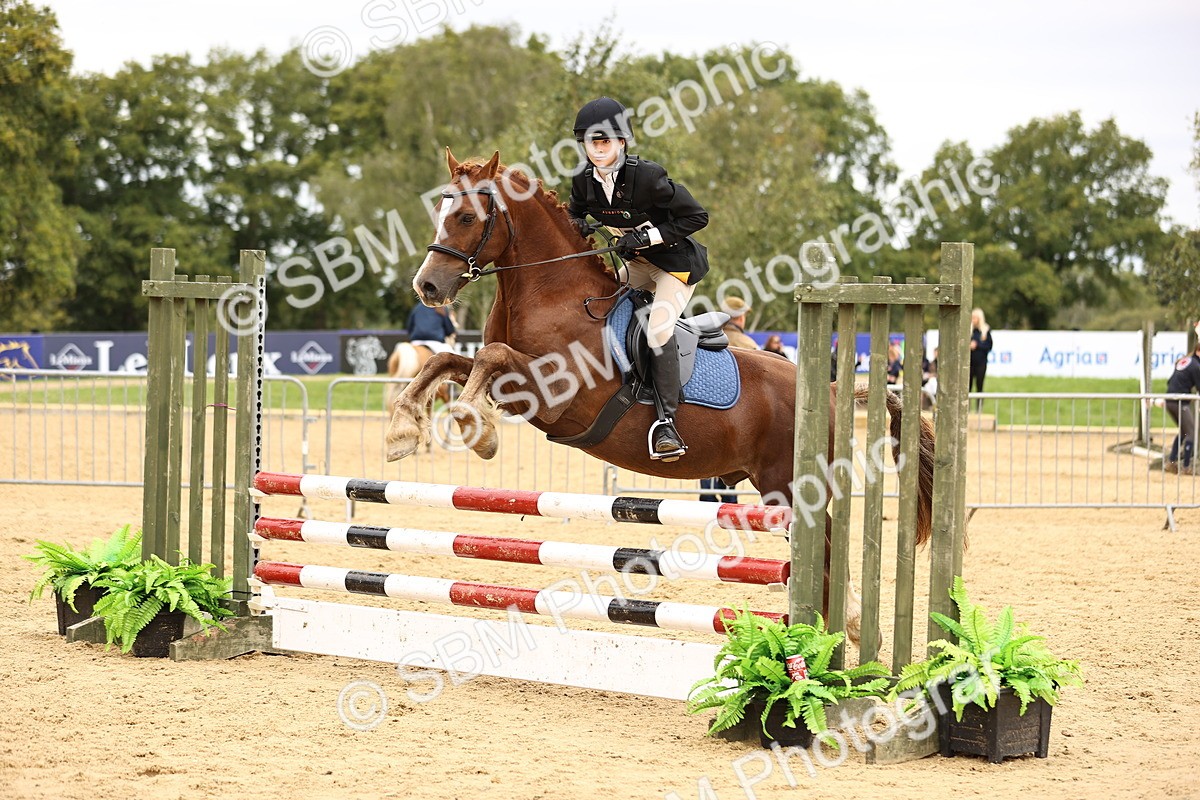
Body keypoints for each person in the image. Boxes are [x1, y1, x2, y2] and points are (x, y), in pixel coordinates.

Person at [567, 97, 710, 461]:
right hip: (635, 265)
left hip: (673, 266)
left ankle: (667, 424)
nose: (598, 150)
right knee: (592, 305)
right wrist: (576, 225)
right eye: (591, 143)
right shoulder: (583, 182)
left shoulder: (648, 177)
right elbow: (572, 216)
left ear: (621, 143)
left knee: (658, 330)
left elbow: (697, 217)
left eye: (605, 142)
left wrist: (648, 237)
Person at [701, 296, 758, 502]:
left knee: (706, 454)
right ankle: (729, 499)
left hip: (705, 405)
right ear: (740, 317)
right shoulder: (747, 344)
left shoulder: (704, 337)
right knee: (733, 459)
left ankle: (706, 496)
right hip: (738, 410)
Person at [1162, 338, 1200, 475]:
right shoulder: (1196, 366)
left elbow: (1170, 381)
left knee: (1184, 432)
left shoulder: (1186, 361)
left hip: (1170, 400)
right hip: (1180, 401)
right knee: (1191, 432)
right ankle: (1186, 467)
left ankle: (1171, 462)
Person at [969, 308, 993, 412]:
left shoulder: (985, 331)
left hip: (981, 363)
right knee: (967, 387)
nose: (973, 320)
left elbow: (989, 346)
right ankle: (967, 409)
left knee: (979, 386)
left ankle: (979, 409)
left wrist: (977, 345)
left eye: (975, 318)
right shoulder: (969, 330)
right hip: (969, 363)